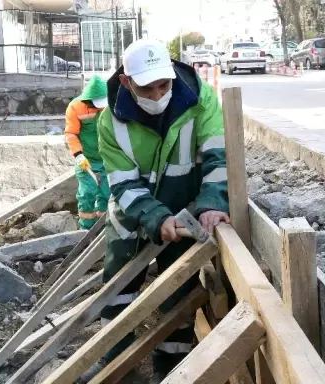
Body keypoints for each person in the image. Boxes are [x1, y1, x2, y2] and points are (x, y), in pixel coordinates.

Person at [78, 39, 230, 383]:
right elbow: (123, 183)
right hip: (132, 208)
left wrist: (213, 203)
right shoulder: (110, 121)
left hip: (184, 206)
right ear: (128, 82)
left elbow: (219, 158)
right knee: (118, 285)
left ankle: (171, 368)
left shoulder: (199, 99)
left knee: (178, 288)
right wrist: (155, 217)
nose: (158, 94)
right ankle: (118, 363)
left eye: (164, 85)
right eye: (148, 88)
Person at [64, 75, 111, 230]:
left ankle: (104, 228)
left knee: (106, 193)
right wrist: (78, 155)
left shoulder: (110, 104)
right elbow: (71, 133)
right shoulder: (75, 107)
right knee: (87, 194)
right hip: (86, 159)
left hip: (107, 158)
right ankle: (86, 230)